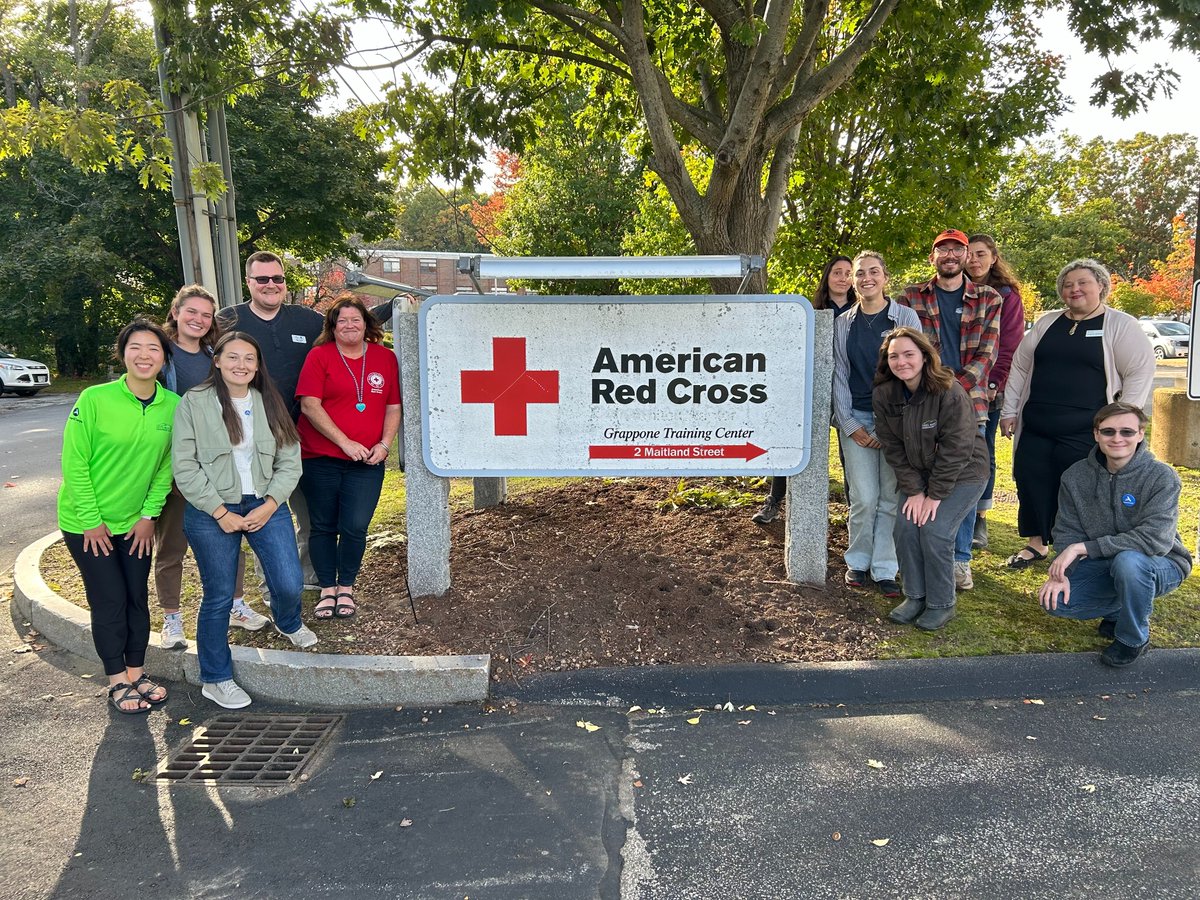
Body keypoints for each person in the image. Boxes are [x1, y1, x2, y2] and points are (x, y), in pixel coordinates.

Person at [172, 332, 318, 709]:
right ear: (217, 361)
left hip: (264, 504)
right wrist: (219, 513)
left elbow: (290, 461)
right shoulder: (195, 402)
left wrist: (269, 505)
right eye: (233, 357)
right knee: (219, 596)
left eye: (249, 359)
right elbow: (184, 466)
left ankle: (287, 621)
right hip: (212, 510)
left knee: (289, 582)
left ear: (257, 366)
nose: (241, 365)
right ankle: (216, 678)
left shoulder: (268, 402)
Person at [1000, 259, 1155, 570]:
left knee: (1079, 488)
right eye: (1068, 285)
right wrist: (1010, 409)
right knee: (1032, 480)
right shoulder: (1047, 323)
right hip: (1037, 425)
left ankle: (1076, 549)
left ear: (1101, 286)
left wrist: (1123, 422)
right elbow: (1019, 366)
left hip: (1085, 429)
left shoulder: (1120, 325)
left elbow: (1139, 372)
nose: (1075, 289)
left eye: (1083, 282)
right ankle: (1036, 543)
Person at [57, 320, 178, 714]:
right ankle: (116, 681)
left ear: (164, 357)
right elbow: (75, 463)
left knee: (135, 598)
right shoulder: (94, 399)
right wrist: (92, 520)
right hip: (86, 524)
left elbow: (166, 468)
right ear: (122, 353)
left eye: (153, 349)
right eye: (135, 348)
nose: (144, 355)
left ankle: (137, 673)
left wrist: (148, 517)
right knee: (108, 599)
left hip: (135, 524)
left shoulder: (173, 407)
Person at [155, 285, 272, 648]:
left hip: (221, 466)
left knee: (229, 538)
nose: (199, 320)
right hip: (178, 462)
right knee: (172, 545)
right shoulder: (162, 355)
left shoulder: (214, 354)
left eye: (206, 315)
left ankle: (237, 605)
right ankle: (171, 618)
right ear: (175, 312)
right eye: (191, 312)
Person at [1037, 403, 1191, 667]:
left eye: (1127, 432)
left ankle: (1133, 639)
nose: (1117, 438)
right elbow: (1066, 532)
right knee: (1056, 602)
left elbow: (1154, 539)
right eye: (1108, 431)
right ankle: (1119, 608)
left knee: (1129, 562)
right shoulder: (1075, 477)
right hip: (1106, 564)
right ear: (1096, 434)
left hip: (1161, 562)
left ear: (1141, 434)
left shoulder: (1161, 477)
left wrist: (1084, 548)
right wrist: (1064, 573)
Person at [899, 228, 1002, 591]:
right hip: (922, 401)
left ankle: (960, 559)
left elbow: (986, 353)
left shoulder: (988, 298)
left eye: (956, 249)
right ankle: (928, 550)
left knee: (965, 477)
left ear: (965, 256)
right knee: (928, 471)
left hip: (969, 402)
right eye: (942, 249)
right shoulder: (910, 298)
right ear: (933, 257)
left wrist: (951, 391)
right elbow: (906, 350)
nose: (949, 255)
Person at [218, 251, 323, 591]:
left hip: (303, 434)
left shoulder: (305, 320)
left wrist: (395, 304)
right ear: (248, 282)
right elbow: (189, 343)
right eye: (262, 279)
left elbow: (349, 322)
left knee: (309, 513)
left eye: (277, 278)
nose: (270, 285)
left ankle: (308, 574)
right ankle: (269, 582)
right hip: (252, 436)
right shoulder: (227, 321)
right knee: (263, 514)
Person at [872, 327, 989, 631]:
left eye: (909, 354)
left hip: (963, 473)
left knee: (935, 530)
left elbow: (958, 448)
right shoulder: (885, 394)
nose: (902, 362)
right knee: (906, 528)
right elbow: (893, 448)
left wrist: (934, 495)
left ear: (924, 356)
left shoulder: (948, 391)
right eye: (894, 356)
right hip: (918, 477)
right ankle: (915, 596)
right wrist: (914, 491)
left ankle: (941, 603)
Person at [297, 296, 401, 619]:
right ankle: (328, 589)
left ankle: (347, 587)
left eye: (356, 319)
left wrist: (384, 444)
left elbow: (393, 406)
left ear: (367, 324)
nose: (349, 325)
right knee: (323, 525)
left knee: (356, 525)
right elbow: (309, 405)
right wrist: (345, 443)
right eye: (342, 321)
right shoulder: (319, 356)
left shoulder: (385, 359)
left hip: (367, 461)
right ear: (332, 326)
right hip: (320, 458)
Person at [831, 251, 920, 597]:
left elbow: (915, 368)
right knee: (864, 497)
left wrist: (892, 426)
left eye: (873, 272)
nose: (866, 278)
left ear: (885, 276)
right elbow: (839, 374)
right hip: (857, 419)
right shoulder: (843, 323)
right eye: (859, 274)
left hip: (896, 421)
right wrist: (850, 423)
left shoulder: (905, 316)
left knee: (890, 498)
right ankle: (858, 560)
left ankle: (885, 567)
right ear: (853, 281)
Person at [752, 255, 856, 525]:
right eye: (837, 272)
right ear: (827, 277)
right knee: (792, 444)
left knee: (851, 454)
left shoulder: (862, 311)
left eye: (848, 273)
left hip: (850, 389)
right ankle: (774, 501)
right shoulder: (808, 311)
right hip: (814, 387)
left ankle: (852, 513)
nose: (843, 278)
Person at [963, 234, 1027, 551]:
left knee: (983, 452)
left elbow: (1009, 346)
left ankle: (979, 517)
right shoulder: (953, 291)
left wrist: (993, 383)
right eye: (969, 254)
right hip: (955, 385)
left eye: (980, 254)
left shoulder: (1006, 296)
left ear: (993, 257)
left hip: (990, 388)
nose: (973, 260)